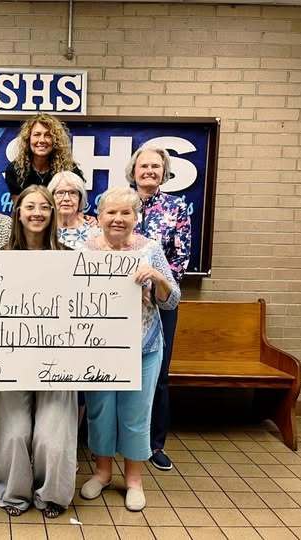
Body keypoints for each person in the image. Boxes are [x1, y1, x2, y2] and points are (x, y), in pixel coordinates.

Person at [80, 186, 180, 512]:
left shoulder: (150, 250)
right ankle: (103, 472)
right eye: (111, 212)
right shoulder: (85, 249)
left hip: (144, 346)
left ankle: (134, 479)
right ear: (99, 217)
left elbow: (173, 299)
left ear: (136, 218)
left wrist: (156, 279)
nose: (118, 219)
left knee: (136, 414)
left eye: (126, 213)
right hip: (99, 349)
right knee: (100, 413)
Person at [0, 185, 75, 520]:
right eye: (30, 206)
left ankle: (52, 492)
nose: (37, 212)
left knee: (53, 435)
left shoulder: (72, 257)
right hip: (10, 357)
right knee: (12, 431)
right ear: (18, 212)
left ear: (53, 213)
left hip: (60, 356)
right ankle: (13, 491)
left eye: (44, 206)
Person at [126, 146, 191, 472]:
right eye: (143, 166)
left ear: (164, 172)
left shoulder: (176, 208)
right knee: (116, 370)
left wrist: (155, 290)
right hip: (119, 302)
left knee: (158, 375)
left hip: (161, 303)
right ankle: (110, 443)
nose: (149, 171)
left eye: (155, 166)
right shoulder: (119, 204)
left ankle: (154, 444)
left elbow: (180, 261)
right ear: (133, 169)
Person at [3, 113, 83, 200]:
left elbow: (75, 205)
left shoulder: (70, 170)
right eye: (37, 134)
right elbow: (19, 209)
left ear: (56, 140)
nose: (42, 140)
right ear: (28, 138)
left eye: (48, 135)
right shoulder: (15, 169)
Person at [47, 170, 97, 250]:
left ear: (80, 198)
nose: (66, 198)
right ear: (51, 197)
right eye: (60, 193)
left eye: (73, 193)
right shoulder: (43, 228)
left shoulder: (93, 230)